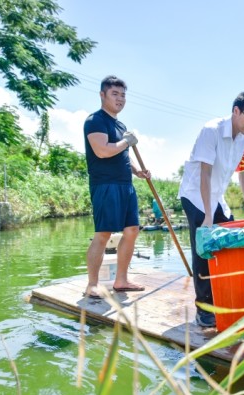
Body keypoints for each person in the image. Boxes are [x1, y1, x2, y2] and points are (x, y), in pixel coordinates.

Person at [178, 91, 244, 327]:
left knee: (228, 244)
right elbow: (204, 174)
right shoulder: (212, 130)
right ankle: (204, 308)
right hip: (196, 196)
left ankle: (224, 299)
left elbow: (243, 174)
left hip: (217, 196)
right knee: (203, 249)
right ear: (236, 111)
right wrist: (207, 215)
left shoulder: (243, 138)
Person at [83, 75, 151, 299]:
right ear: (102, 95)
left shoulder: (120, 125)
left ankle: (121, 280)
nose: (120, 99)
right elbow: (102, 150)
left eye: (123, 95)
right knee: (103, 234)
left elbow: (120, 153)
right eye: (115, 94)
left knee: (132, 230)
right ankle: (92, 284)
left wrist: (136, 171)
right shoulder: (96, 120)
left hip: (125, 184)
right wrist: (127, 141)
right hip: (105, 185)